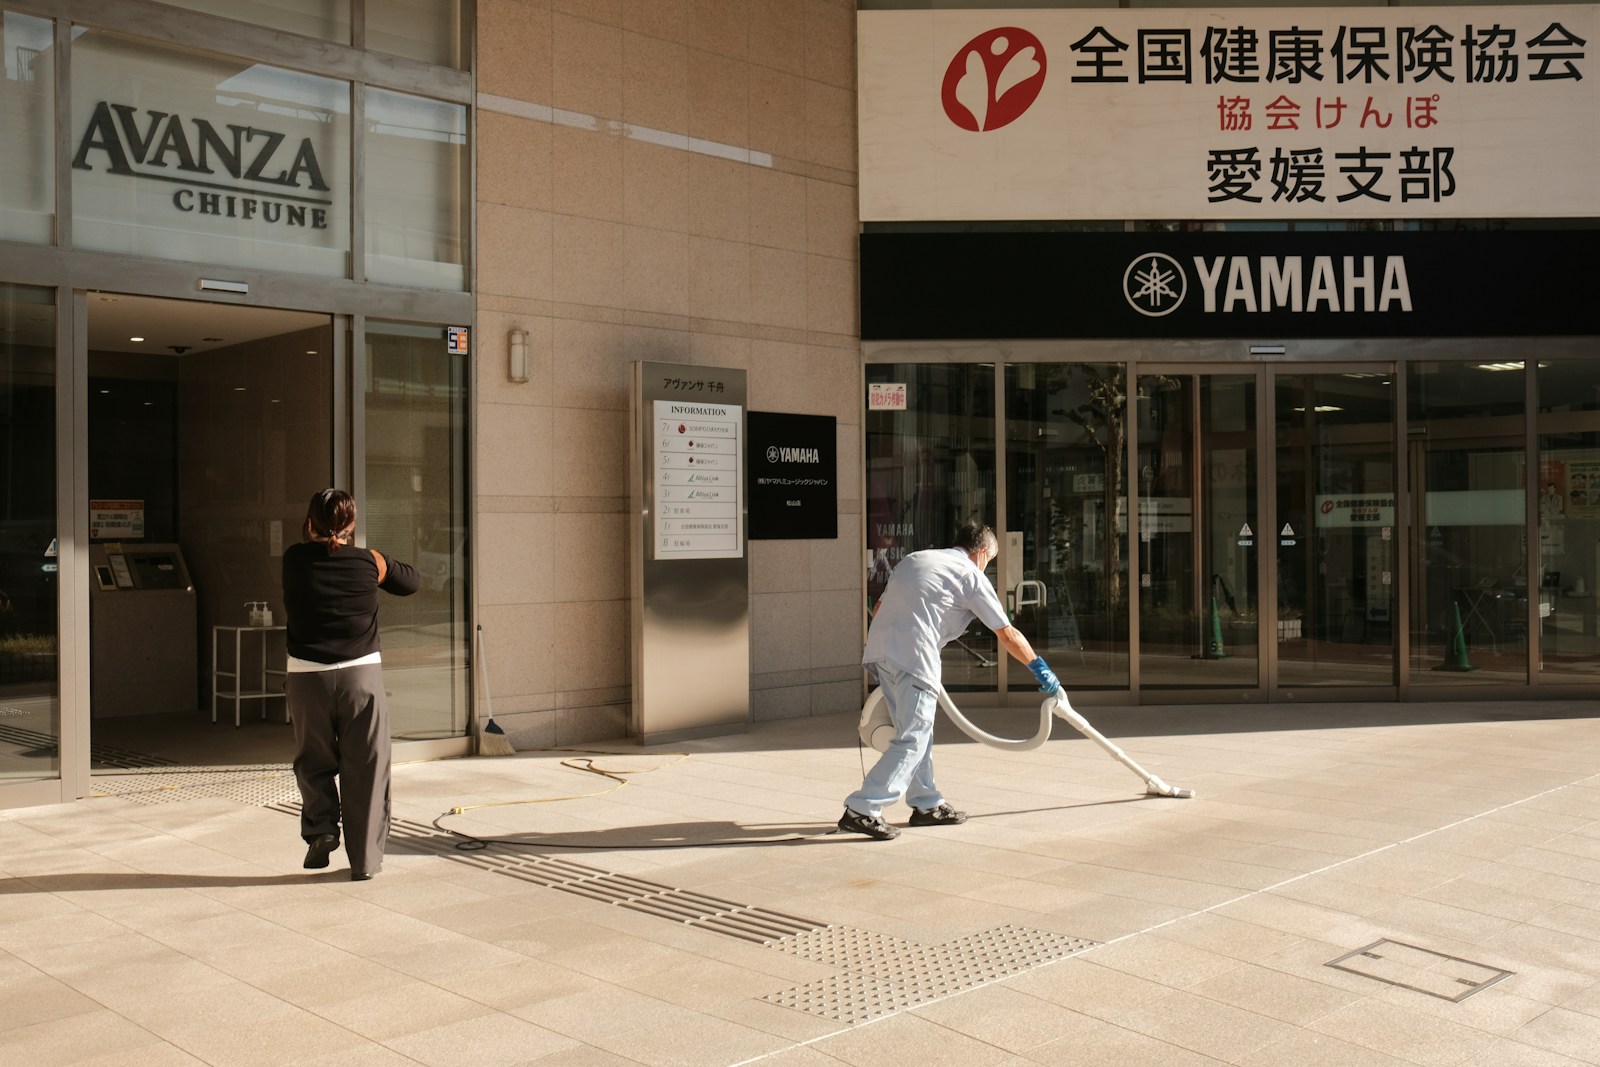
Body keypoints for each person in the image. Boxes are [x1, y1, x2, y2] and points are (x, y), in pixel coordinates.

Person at [839, 521, 1060, 840]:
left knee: (914, 733)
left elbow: (879, 607)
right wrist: (1040, 668)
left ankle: (927, 804)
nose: (987, 567)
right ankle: (863, 808)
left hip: (881, 651)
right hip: (914, 655)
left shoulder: (916, 559)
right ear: (982, 553)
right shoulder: (970, 575)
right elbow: (1006, 632)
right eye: (989, 561)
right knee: (913, 737)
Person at [282, 489, 420, 879]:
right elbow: (411, 582)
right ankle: (364, 860)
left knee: (313, 760)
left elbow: (319, 555)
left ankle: (322, 830)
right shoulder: (367, 563)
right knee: (367, 766)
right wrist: (378, 561)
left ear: (309, 523)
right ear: (351, 525)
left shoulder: (293, 560)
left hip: (307, 677)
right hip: (361, 676)